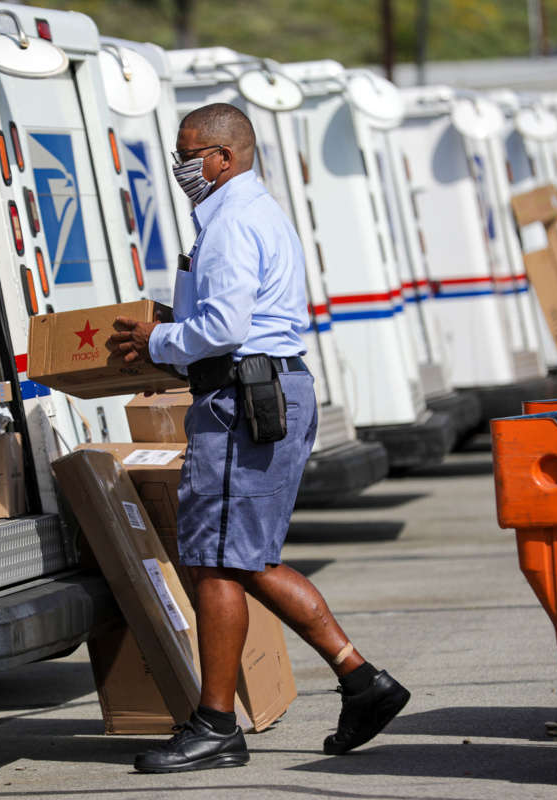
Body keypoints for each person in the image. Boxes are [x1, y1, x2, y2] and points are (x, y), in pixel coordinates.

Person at [107, 103, 409, 774]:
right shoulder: (246, 214)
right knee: (244, 558)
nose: (181, 165)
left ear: (225, 157)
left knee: (217, 560)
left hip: (244, 398)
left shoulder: (233, 221)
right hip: (261, 392)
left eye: (190, 153)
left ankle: (216, 725)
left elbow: (222, 324)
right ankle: (363, 682)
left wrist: (158, 341)